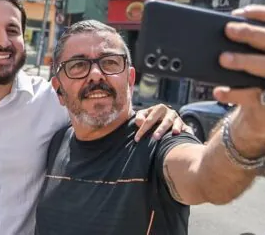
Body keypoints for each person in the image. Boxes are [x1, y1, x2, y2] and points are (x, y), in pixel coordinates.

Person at [0, 0, 189, 235]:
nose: (2, 41)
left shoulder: (55, 99)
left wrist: (161, 115)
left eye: (12, 30)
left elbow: (108, 111)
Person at [35, 18, 265, 234]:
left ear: (130, 79)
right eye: (77, 65)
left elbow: (205, 177)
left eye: (110, 62)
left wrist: (250, 124)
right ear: (59, 90)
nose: (96, 75)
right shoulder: (55, 144)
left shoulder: (157, 140)